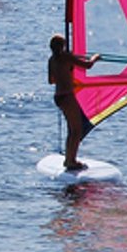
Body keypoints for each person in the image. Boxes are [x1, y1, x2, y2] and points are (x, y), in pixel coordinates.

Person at [47, 34, 101, 171]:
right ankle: (70, 161)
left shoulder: (52, 60)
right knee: (76, 130)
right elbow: (87, 65)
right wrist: (95, 57)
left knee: (72, 129)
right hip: (67, 97)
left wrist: (66, 75)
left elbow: (51, 80)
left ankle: (69, 159)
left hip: (59, 97)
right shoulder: (66, 57)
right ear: (63, 46)